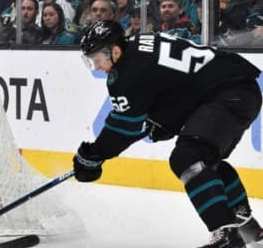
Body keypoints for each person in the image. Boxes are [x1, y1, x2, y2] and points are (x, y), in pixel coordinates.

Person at [75, 20, 263, 248]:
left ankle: (225, 235)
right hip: (237, 88)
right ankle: (242, 220)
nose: (96, 66)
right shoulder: (138, 45)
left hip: (228, 93)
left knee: (188, 158)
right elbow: (178, 84)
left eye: (97, 59)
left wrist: (93, 156)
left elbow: (123, 128)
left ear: (114, 50)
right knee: (204, 161)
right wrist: (165, 119)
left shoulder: (127, 74)